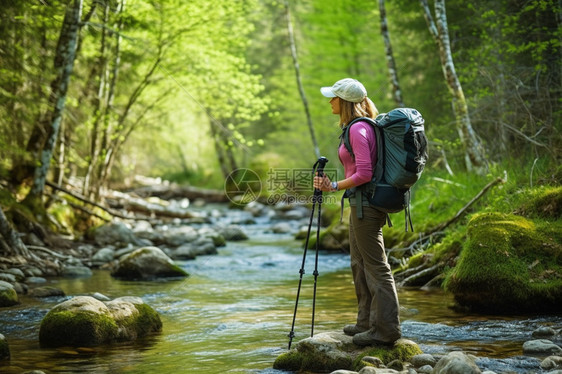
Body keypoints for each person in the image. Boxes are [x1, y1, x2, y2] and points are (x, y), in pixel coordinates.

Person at [313, 78, 401, 346]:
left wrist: (334, 186)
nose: (330, 101)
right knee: (358, 263)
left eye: (333, 98)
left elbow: (364, 173)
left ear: (345, 103)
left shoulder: (358, 130)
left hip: (368, 205)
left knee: (377, 267)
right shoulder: (355, 127)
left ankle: (386, 330)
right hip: (359, 203)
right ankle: (365, 321)